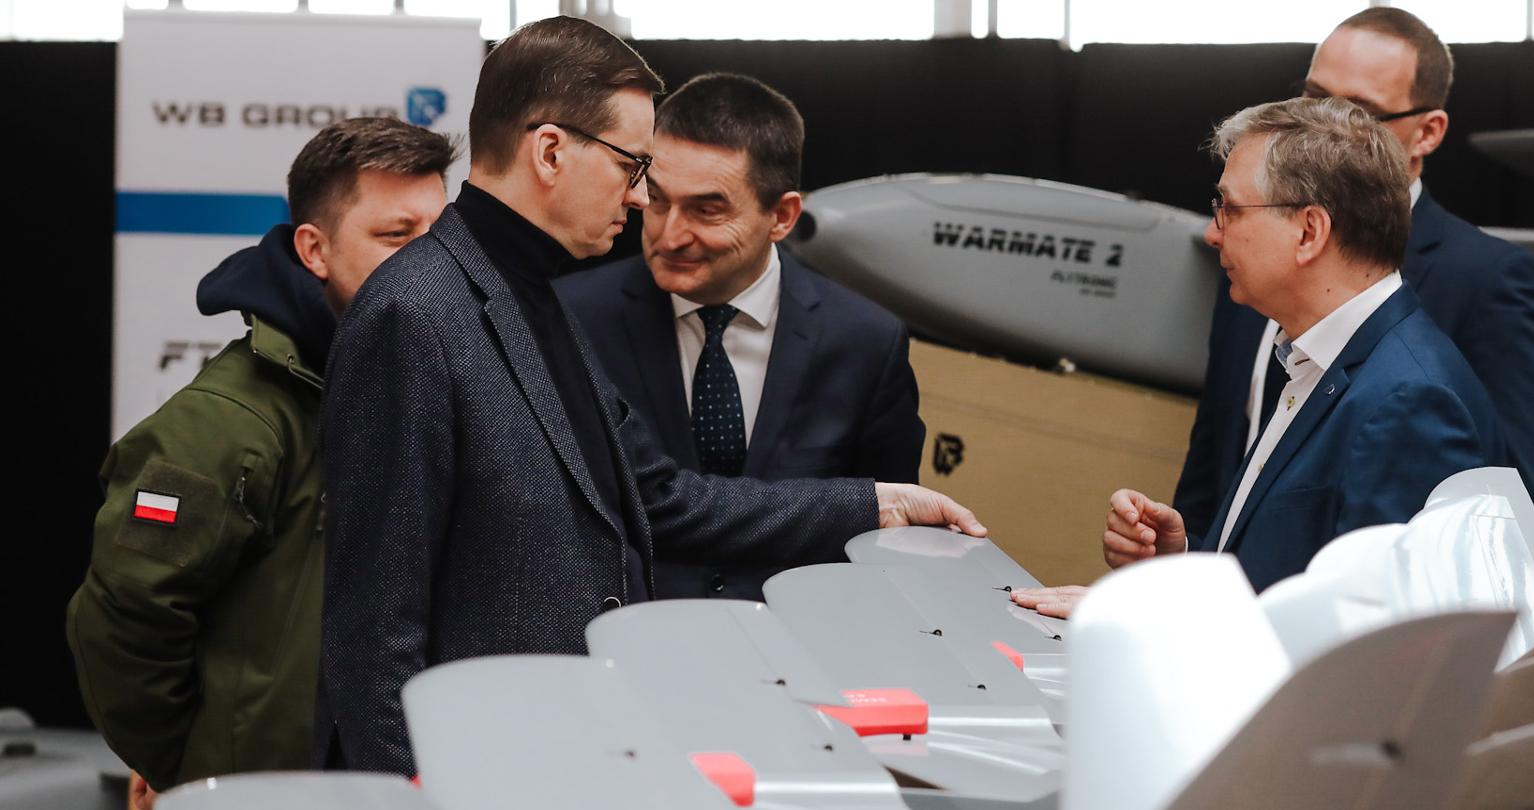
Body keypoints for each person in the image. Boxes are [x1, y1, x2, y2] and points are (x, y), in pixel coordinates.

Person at [318, 16, 983, 775]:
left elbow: (659, 498)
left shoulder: (531, 298)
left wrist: (876, 503)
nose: (640, 200)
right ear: (550, 152)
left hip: (565, 747)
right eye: (633, 167)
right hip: (480, 762)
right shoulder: (415, 312)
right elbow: (373, 624)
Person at [67, 118, 454, 803]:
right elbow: (124, 619)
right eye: (397, 237)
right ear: (315, 249)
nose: (432, 262)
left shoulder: (432, 384)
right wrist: (197, 765)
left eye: (441, 234)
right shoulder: (229, 420)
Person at [1015, 97, 1504, 616]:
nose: (1212, 232)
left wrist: (1141, 619)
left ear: (1309, 231)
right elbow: (1290, 576)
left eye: (1228, 208)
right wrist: (1182, 561)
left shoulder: (1408, 401)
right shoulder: (1334, 361)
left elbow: (1369, 643)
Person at [1171, 7, 1534, 551]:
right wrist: (1180, 563)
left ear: (1428, 132)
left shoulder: (1487, 283)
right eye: (1312, 97)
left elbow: (1518, 528)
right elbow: (1219, 464)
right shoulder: (1255, 257)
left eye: (1357, 112)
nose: (1319, 123)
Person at [558, 73, 924, 601]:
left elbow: (885, 537)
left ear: (782, 216)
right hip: (622, 632)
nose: (669, 235)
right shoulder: (573, 318)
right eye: (657, 200)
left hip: (800, 635)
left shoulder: (866, 342)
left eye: (707, 210)